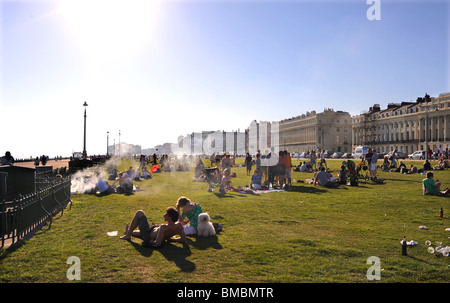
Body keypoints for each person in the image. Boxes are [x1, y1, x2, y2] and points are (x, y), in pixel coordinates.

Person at [120, 207, 186, 248]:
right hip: (151, 231)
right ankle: (128, 231)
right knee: (141, 232)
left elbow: (157, 244)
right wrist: (172, 239)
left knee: (139, 213)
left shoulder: (164, 227)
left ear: (170, 217)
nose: (164, 215)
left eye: (166, 214)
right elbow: (183, 239)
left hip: (148, 235)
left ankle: (128, 235)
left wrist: (152, 241)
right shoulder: (179, 226)